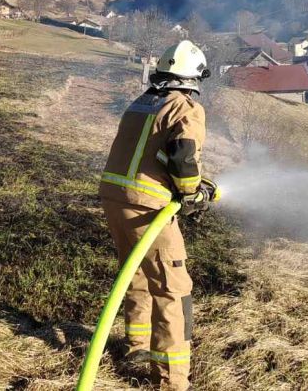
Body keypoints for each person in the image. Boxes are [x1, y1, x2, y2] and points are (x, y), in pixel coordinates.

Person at [99, 40, 212, 391]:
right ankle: (171, 380)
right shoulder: (186, 107)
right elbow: (182, 157)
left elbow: (154, 154)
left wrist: (190, 181)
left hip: (115, 197)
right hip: (148, 207)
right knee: (174, 290)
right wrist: (193, 193)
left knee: (135, 275)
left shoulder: (142, 103)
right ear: (194, 78)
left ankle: (137, 348)